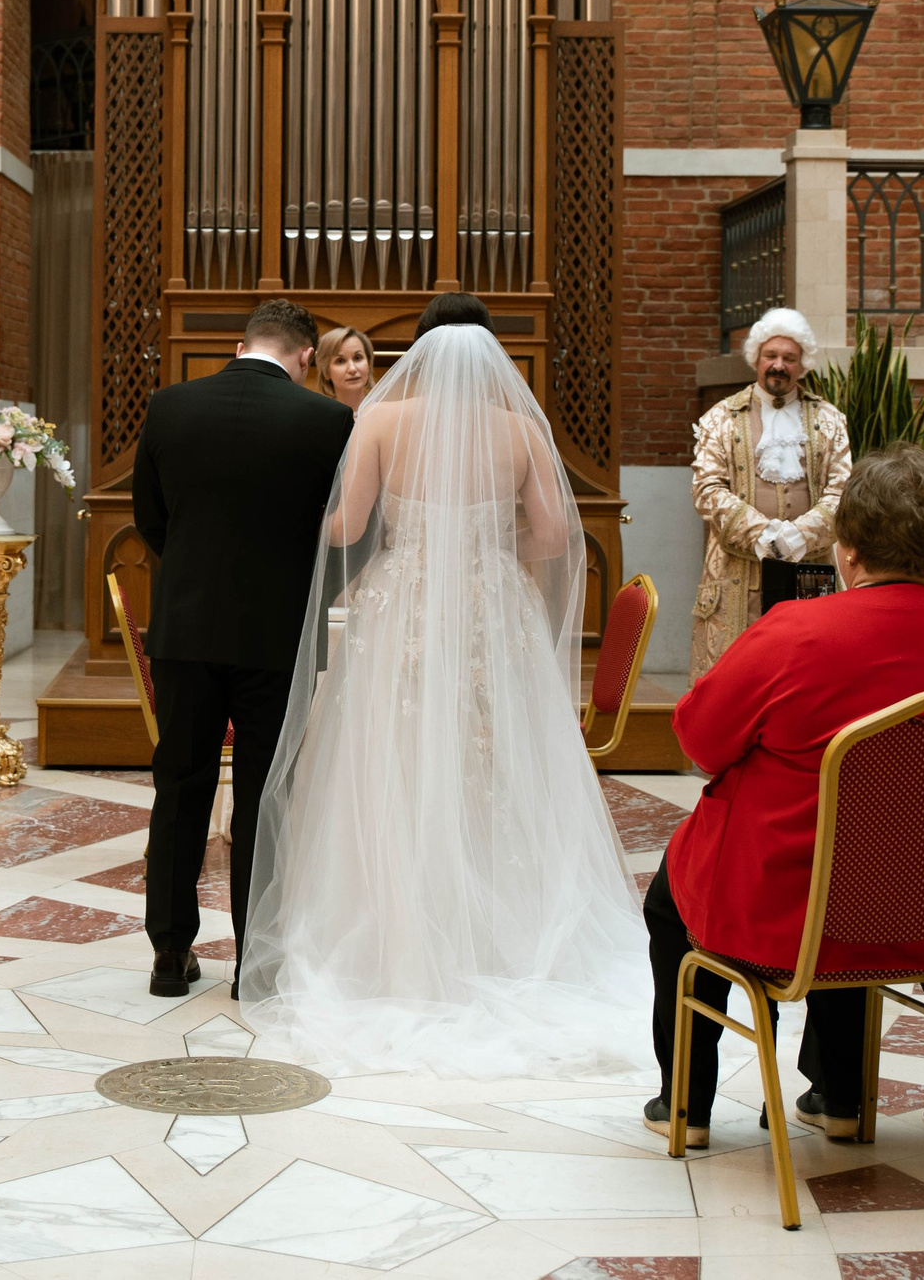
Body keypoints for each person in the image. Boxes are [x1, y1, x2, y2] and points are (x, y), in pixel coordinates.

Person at [240, 293, 652, 1078]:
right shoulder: (520, 430)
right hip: (490, 607)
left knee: (393, 757)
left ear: (419, 356)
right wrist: (492, 544)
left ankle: (395, 943)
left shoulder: (382, 422)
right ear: (491, 354)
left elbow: (349, 526)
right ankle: (507, 937)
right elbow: (557, 535)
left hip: (405, 605)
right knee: (498, 766)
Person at [648, 446, 924, 1140]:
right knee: (867, 851)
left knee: (672, 901)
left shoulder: (794, 632)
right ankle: (840, 1098)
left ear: (847, 552)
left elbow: (700, 742)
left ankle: (686, 1104)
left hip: (786, 913)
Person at [133, 298, 357, 997]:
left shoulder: (169, 406)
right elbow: (345, 530)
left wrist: (196, 576)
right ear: (307, 358)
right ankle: (255, 963)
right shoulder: (328, 420)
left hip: (186, 629)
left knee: (180, 785)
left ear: (240, 344)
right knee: (267, 793)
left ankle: (170, 953)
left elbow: (149, 517)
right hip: (278, 634)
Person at [690, 307, 852, 673]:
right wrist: (761, 534)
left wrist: (800, 535)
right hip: (737, 576)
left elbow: (843, 489)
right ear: (756, 359)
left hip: (809, 572)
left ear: (802, 364)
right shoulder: (721, 416)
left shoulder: (829, 420)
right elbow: (706, 487)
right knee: (738, 677)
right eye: (771, 356)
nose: (779, 365)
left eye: (789, 358)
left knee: (805, 676)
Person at [314, 325, 377, 412]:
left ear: (369, 364)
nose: (352, 369)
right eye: (340, 361)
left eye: (358, 358)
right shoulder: (317, 416)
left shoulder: (387, 413)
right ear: (326, 371)